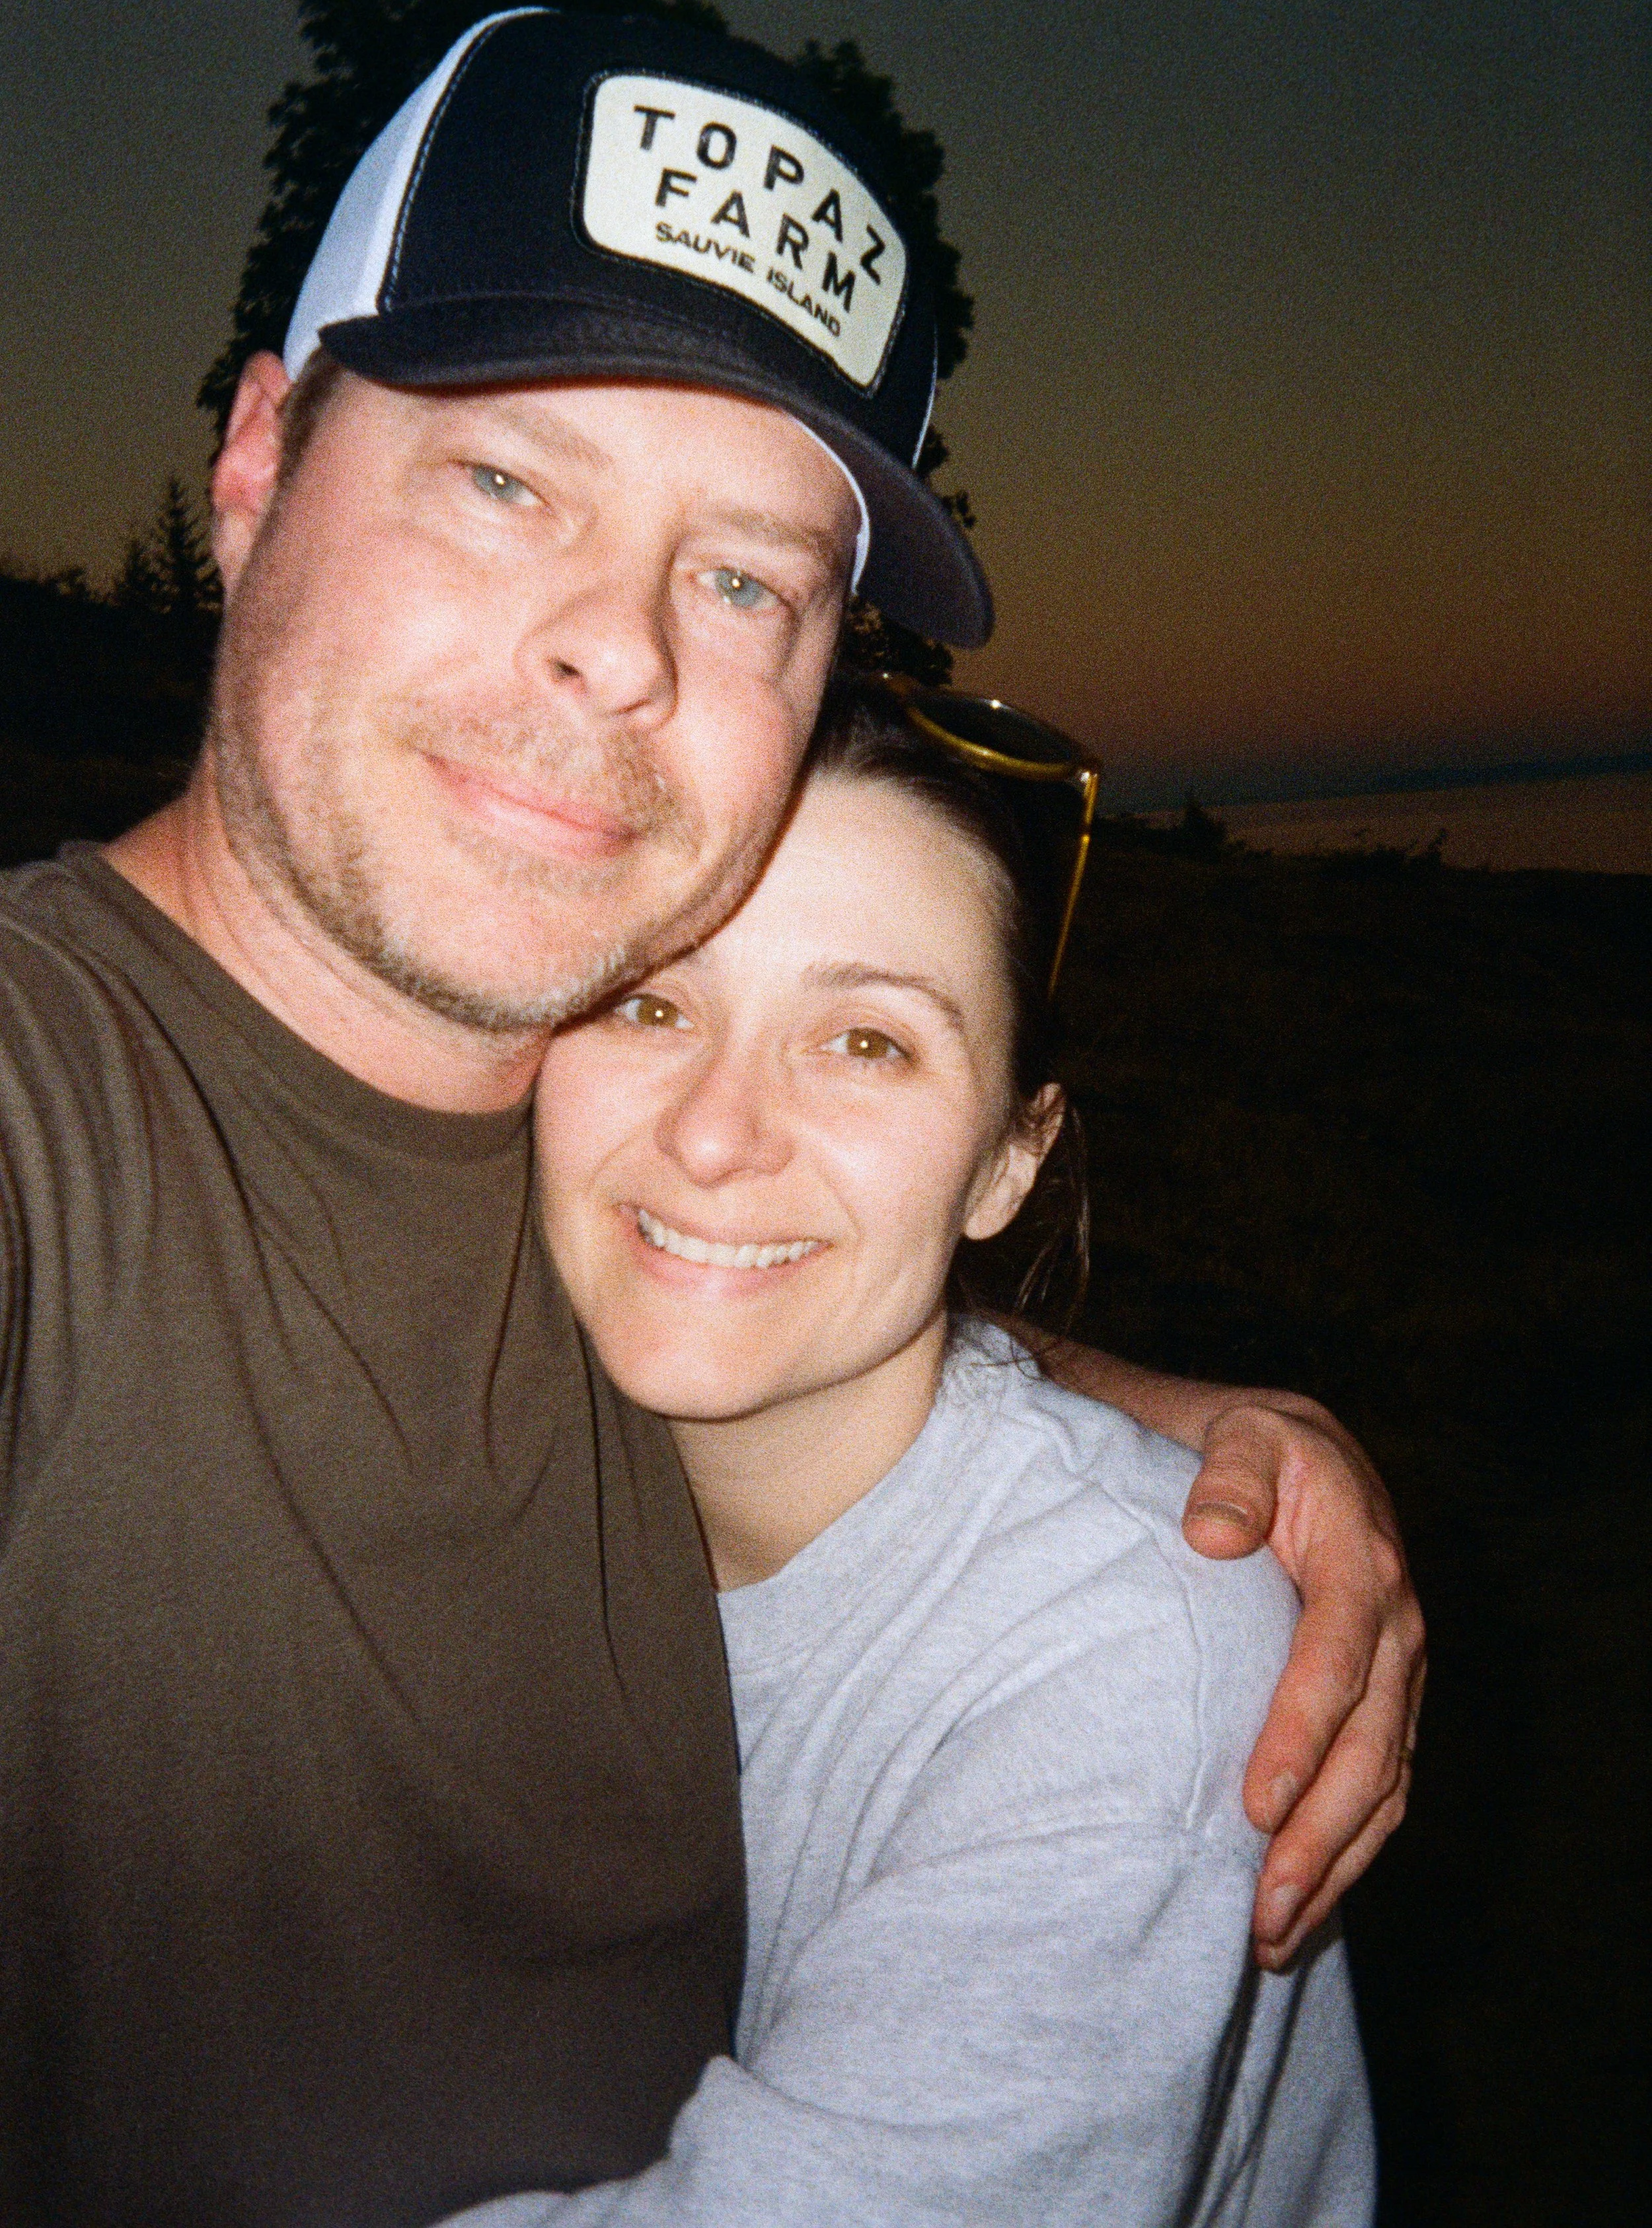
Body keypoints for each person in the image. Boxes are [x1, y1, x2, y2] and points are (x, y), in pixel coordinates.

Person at [0, 9, 1417, 2227]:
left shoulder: (593, 1167)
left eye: (746, 574)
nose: (625, 648)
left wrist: (1174, 1450)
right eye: (506, 480)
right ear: (261, 460)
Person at [447, 669, 1375, 2226]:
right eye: (650, 1002)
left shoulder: (1130, 1652)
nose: (715, 1131)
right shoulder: (462, 1434)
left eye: (865, 1044)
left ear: (1009, 1157)